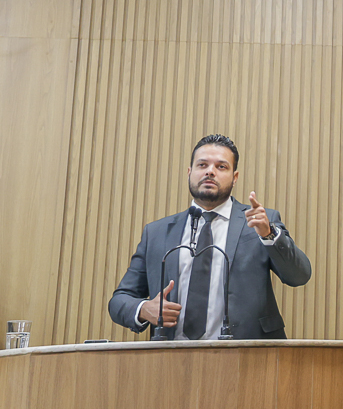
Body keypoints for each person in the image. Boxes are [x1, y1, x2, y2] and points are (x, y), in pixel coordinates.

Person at [109, 134, 312, 340]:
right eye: (202, 165)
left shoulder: (259, 223)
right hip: (172, 354)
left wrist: (269, 234)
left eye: (221, 167)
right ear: (189, 172)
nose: (210, 171)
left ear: (235, 177)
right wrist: (144, 309)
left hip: (246, 353)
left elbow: (299, 276)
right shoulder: (157, 233)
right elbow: (120, 300)